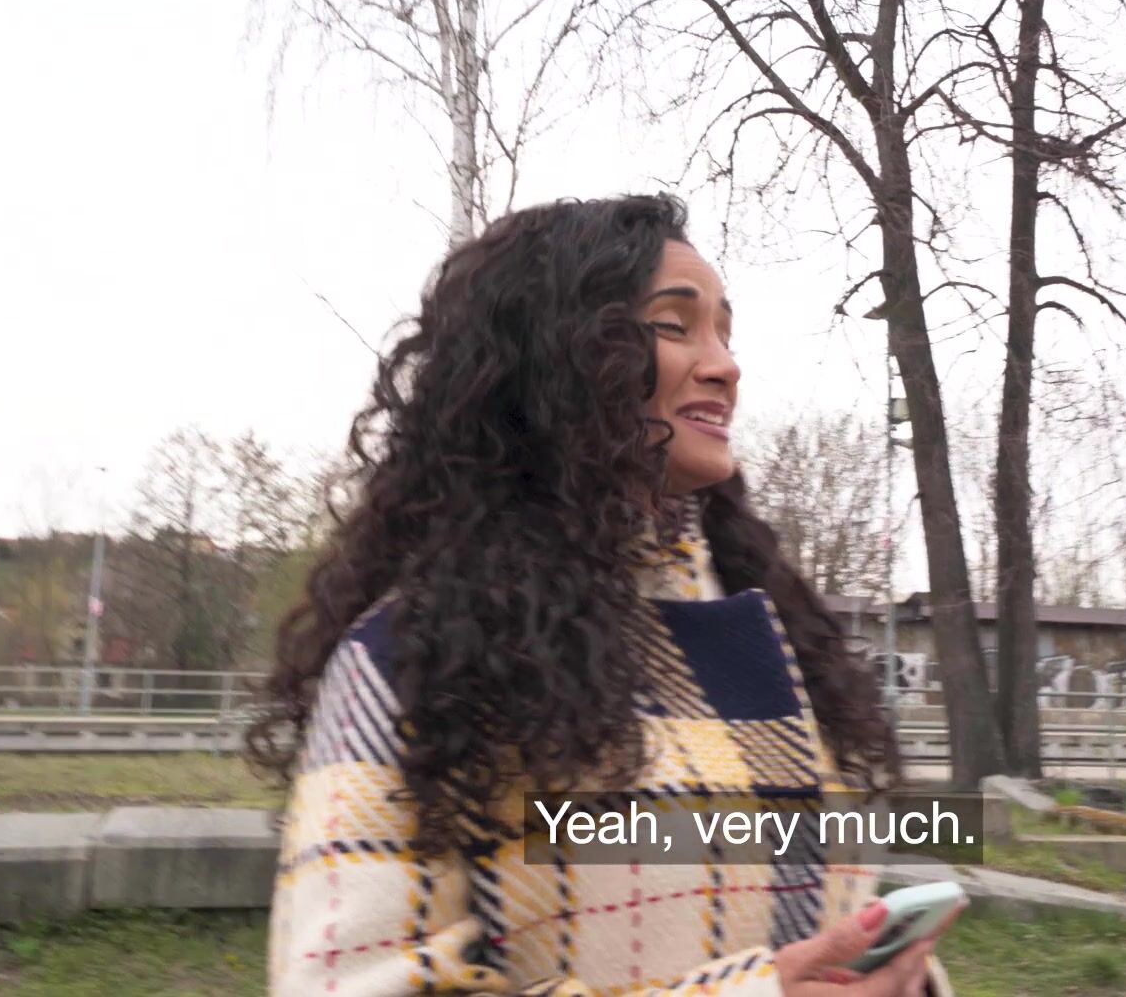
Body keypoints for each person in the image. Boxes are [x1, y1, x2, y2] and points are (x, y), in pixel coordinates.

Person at [251, 194, 959, 996]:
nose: (725, 366)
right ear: (558, 361)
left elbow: (817, 921)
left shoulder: (781, 639)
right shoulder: (412, 662)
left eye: (725, 332)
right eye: (674, 326)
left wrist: (892, 975)